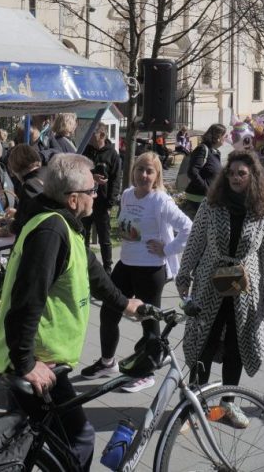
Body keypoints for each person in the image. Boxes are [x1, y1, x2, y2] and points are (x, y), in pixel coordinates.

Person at [0, 154, 142, 472]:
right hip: (38, 365)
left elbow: (94, 274)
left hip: (38, 359)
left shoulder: (62, 225)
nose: (96, 196)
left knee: (20, 444)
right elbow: (27, 300)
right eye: (92, 191)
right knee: (80, 439)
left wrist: (127, 304)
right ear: (74, 199)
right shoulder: (51, 232)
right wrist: (26, 363)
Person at [175, 150, 264, 428]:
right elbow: (196, 240)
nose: (235, 178)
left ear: (252, 177)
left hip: (244, 290)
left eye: (241, 173)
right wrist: (184, 274)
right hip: (210, 283)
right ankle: (195, 406)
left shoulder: (262, 211)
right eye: (232, 173)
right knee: (204, 344)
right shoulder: (212, 206)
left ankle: (227, 406)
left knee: (237, 346)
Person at [83, 152, 192, 392]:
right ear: (133, 171)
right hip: (126, 264)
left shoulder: (160, 200)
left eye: (149, 171)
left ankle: (147, 373)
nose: (144, 175)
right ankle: (107, 363)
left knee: (149, 322)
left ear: (157, 176)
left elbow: (188, 228)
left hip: (151, 269)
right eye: (140, 169)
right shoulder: (126, 195)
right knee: (109, 313)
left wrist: (168, 248)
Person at [82, 126, 121, 271]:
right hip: (86, 200)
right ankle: (84, 265)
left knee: (104, 238)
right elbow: (79, 171)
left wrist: (110, 203)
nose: (90, 136)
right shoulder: (86, 151)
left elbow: (116, 180)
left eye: (93, 133)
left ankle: (107, 269)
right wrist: (92, 177)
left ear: (102, 135)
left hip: (102, 203)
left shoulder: (112, 155)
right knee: (83, 235)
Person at [182, 124, 227, 217]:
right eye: (225, 136)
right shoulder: (203, 149)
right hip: (197, 198)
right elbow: (192, 171)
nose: (226, 139)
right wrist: (206, 188)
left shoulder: (215, 152)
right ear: (218, 137)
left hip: (206, 198)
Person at [6, 143, 44, 234]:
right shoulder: (47, 175)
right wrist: (18, 213)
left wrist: (9, 226)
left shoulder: (30, 185)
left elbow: (23, 224)